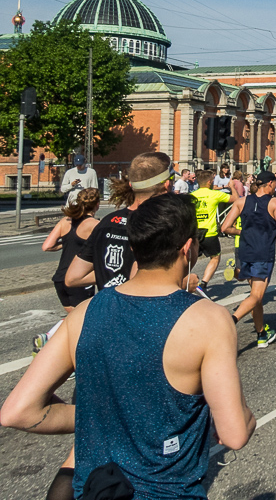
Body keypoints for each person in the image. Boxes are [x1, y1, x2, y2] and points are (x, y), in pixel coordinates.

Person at [1, 193, 257, 500]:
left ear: (134, 248)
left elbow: (17, 412)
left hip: (95, 490)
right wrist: (246, 416)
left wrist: (100, 413)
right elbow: (234, 433)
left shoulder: (85, 312)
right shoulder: (209, 320)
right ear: (187, 249)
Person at [65, 152, 175, 293]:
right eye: (172, 179)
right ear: (167, 185)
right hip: (140, 310)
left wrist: (109, 275)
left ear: (131, 184)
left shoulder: (106, 222)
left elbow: (73, 278)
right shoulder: (161, 224)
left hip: (108, 309)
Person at [220, 170, 276, 348]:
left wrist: (242, 232)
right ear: (270, 184)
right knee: (256, 295)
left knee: (255, 297)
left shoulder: (241, 201)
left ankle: (261, 334)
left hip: (245, 252)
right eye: (275, 183)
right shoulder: (275, 202)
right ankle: (229, 321)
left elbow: (225, 227)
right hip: (263, 252)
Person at [35, 188, 101, 357]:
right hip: (79, 280)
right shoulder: (94, 225)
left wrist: (65, 244)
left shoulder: (65, 221)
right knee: (86, 322)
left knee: (77, 320)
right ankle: (52, 341)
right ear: (97, 205)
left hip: (60, 279)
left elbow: (47, 246)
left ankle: (51, 342)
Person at [190, 169, 239, 296]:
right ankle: (203, 283)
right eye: (212, 181)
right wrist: (232, 187)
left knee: (190, 259)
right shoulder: (214, 194)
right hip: (209, 233)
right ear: (209, 182)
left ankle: (182, 280)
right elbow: (236, 199)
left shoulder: (192, 196)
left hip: (194, 233)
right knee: (215, 257)